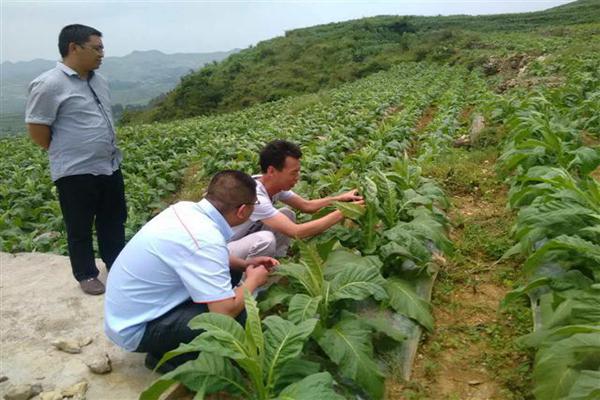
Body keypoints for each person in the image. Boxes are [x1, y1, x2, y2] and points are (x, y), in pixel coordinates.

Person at [104, 170, 276, 372]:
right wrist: (253, 281)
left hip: (131, 312)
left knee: (231, 275)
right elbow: (224, 312)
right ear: (242, 211)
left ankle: (171, 345)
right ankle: (171, 359)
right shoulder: (204, 238)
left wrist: (244, 265)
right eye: (253, 206)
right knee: (237, 319)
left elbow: (199, 255)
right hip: (138, 328)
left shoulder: (186, 209)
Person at [25, 24, 125, 295]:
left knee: (113, 219)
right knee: (79, 225)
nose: (102, 54)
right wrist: (69, 151)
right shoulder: (49, 84)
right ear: (73, 48)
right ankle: (86, 274)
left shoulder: (99, 80)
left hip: (109, 164)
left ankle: (116, 264)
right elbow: (37, 129)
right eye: (97, 48)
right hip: (75, 170)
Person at [228, 140, 363, 259]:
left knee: (287, 214)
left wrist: (340, 198)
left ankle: (276, 261)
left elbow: (306, 206)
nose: (297, 177)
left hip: (244, 238)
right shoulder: (254, 196)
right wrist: (344, 212)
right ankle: (248, 283)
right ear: (272, 171)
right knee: (265, 240)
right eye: (293, 172)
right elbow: (296, 232)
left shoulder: (271, 184)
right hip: (221, 250)